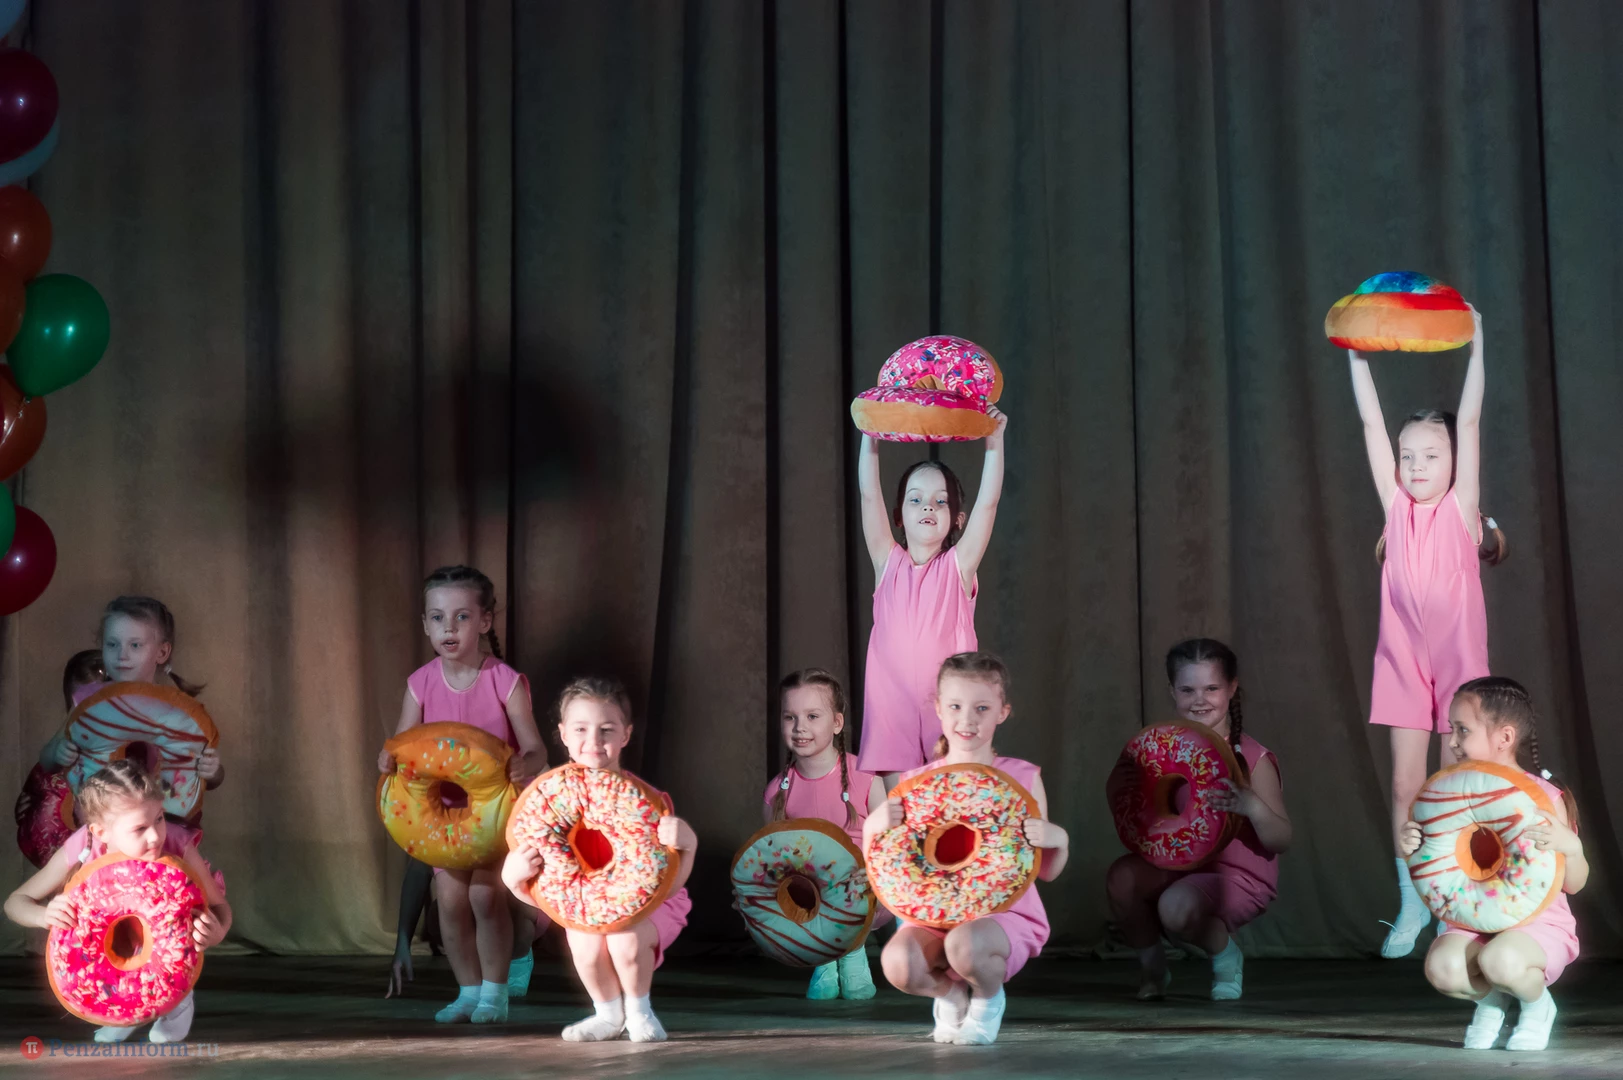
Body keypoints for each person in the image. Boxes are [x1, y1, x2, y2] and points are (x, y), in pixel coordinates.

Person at [1347, 309, 1497, 957]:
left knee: (1451, 785)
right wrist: (1355, 354)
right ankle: (1411, 899)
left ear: (1455, 463)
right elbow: (1369, 424)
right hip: (1403, 658)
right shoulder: (1396, 508)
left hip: (1458, 663)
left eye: (1430, 456)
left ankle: (1449, 901)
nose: (1414, 466)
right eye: (1407, 456)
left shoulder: (1460, 511)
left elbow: (1470, 418)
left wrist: (1478, 340)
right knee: (1405, 786)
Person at [869, 652, 1068, 1045]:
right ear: (939, 709)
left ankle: (988, 1000)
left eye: (982, 708)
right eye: (956, 706)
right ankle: (952, 996)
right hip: (933, 913)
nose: (968, 720)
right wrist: (873, 828)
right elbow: (889, 875)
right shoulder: (915, 784)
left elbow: (1043, 870)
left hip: (1002, 915)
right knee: (898, 962)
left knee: (966, 943)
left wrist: (1058, 839)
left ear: (1002, 712)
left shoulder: (1022, 779)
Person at [377, 566, 548, 1022]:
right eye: (437, 618)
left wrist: (525, 762)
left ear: (485, 622)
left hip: (496, 815)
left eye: (461, 617)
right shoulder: (420, 683)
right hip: (443, 819)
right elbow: (401, 746)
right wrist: (387, 759)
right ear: (425, 624)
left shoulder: (504, 681)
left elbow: (537, 748)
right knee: (451, 904)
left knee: (484, 898)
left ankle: (495, 994)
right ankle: (468, 992)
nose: (448, 628)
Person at [502, 677, 696, 1042]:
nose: (593, 741)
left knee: (625, 938)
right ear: (563, 734)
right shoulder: (544, 803)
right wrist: (513, 881)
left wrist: (689, 846)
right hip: (586, 902)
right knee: (584, 944)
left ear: (626, 735)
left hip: (655, 902)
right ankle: (607, 1014)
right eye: (581, 729)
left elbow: (666, 884)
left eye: (606, 730)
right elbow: (553, 897)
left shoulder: (646, 801)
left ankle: (639, 1011)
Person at [1105, 639, 1291, 1000]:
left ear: (1232, 688)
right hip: (1180, 865)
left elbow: (1281, 838)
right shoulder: (1160, 751)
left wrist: (1251, 806)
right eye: (1187, 689)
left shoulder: (1252, 757)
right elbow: (1139, 821)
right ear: (1172, 691)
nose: (1199, 699)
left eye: (1211, 688)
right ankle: (1153, 967)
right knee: (1122, 877)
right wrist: (1117, 785)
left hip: (1238, 876)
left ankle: (1226, 957)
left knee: (1176, 906)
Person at [1410, 678, 1585, 1052]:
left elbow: (1574, 883)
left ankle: (1537, 1007)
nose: (1452, 741)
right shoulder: (1447, 797)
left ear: (1504, 737)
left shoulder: (1543, 798)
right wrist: (1417, 847)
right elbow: (1440, 867)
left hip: (1536, 923)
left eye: (1463, 730)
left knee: (1500, 960)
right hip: (1474, 916)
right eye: (1451, 729)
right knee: (1444, 968)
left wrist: (1571, 848)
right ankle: (1491, 1004)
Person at [5, 759, 230, 1044]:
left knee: (168, 919)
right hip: (111, 945)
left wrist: (217, 932)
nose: (155, 836)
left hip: (169, 944)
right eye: (139, 828)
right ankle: (122, 1007)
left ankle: (177, 1005)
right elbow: (15, 903)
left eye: (159, 818)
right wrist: (43, 915)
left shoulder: (175, 842)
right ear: (101, 832)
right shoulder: (84, 845)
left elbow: (220, 906)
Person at [855, 411, 1007, 786]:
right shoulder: (886, 563)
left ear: (958, 519)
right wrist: (870, 434)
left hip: (950, 712)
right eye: (916, 499)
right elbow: (869, 494)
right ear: (898, 516)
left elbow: (988, 504)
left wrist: (994, 441)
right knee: (904, 813)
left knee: (948, 810)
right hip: (892, 711)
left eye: (941, 501)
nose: (928, 507)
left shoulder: (959, 567)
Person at [764, 667, 887, 999]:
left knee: (851, 878)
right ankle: (823, 958)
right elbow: (772, 858)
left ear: (836, 722)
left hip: (865, 890)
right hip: (811, 897)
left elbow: (889, 845)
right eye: (790, 717)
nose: (800, 727)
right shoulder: (777, 791)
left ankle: (853, 953)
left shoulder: (867, 778)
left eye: (812, 716)